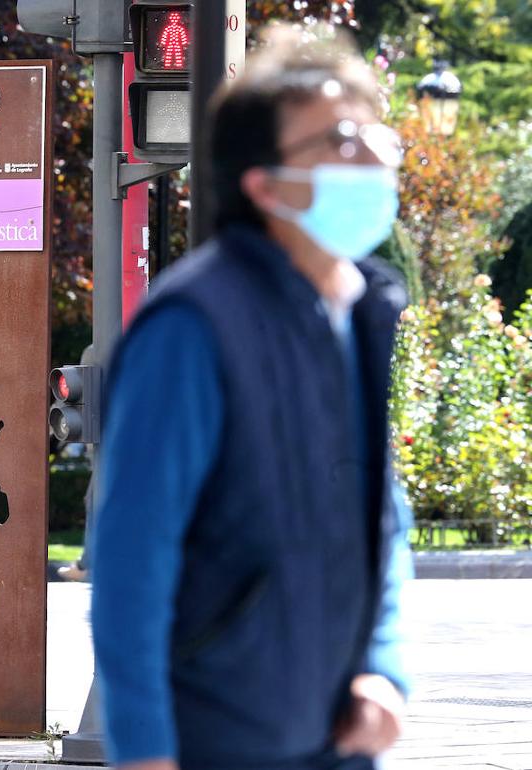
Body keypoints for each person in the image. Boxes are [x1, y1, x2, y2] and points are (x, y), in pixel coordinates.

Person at [91, 27, 413, 770]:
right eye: (339, 139)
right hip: (215, 741)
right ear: (264, 183)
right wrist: (143, 748)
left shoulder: (362, 309)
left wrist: (385, 672)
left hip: (337, 739)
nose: (370, 156)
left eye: (374, 133)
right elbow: (133, 557)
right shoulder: (194, 325)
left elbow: (382, 521)